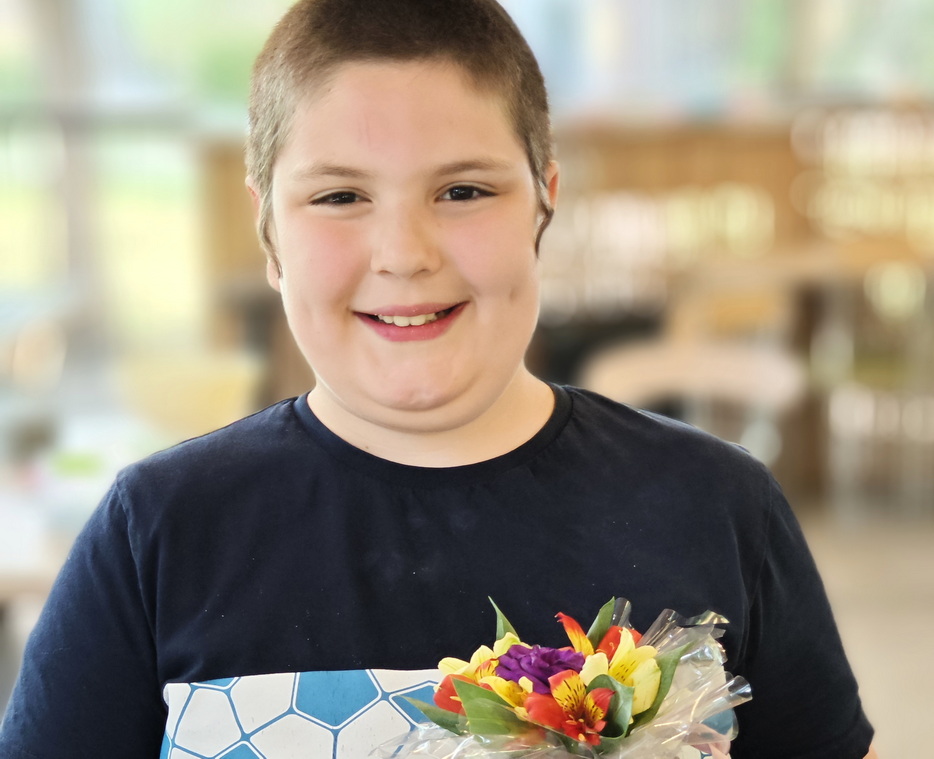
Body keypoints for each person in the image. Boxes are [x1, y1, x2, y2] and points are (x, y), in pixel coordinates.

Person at [0, 1, 877, 758]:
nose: (404, 254)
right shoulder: (159, 531)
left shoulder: (717, 505)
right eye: (339, 197)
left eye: (462, 191)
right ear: (269, 232)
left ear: (544, 200)